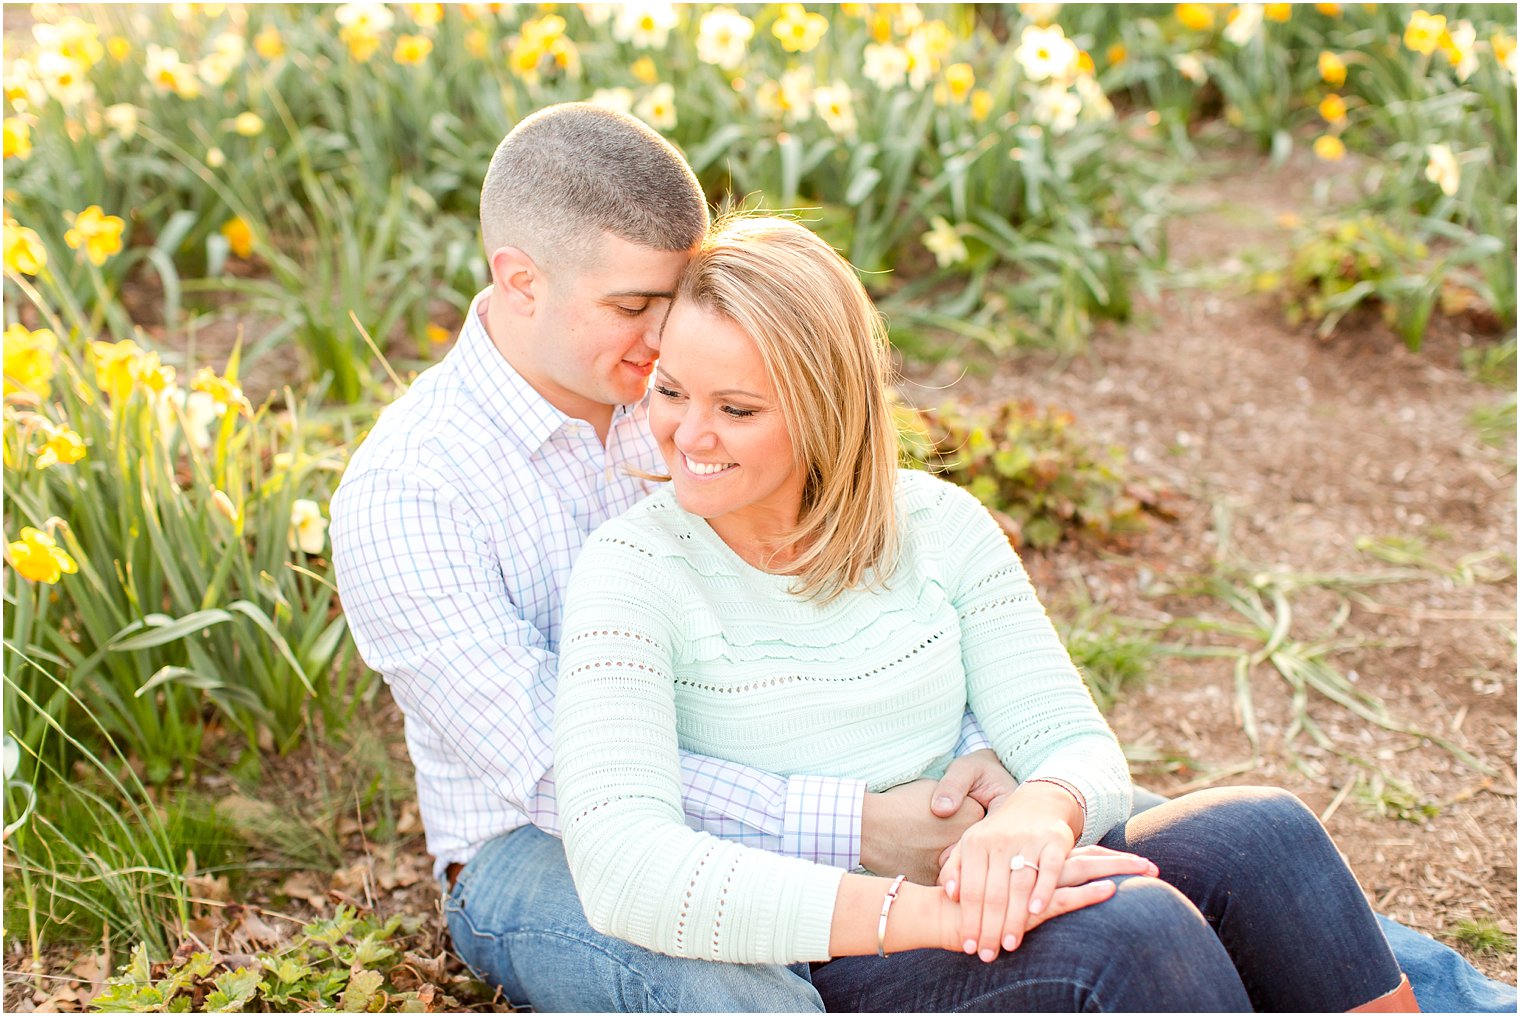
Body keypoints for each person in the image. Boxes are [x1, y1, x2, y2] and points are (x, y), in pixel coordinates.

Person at [331, 102, 1515, 1013]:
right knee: (740, 987)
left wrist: (985, 785)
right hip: (542, 846)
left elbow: (895, 635)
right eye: (642, 307)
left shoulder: (859, 483)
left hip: (831, 768)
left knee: (1212, 845)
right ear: (519, 281)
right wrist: (870, 829)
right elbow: (572, 785)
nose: (667, 353)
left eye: (693, 318)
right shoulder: (414, 491)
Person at [553, 214, 1421, 1011]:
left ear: (826, 411)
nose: (687, 436)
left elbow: (1071, 742)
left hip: (970, 876)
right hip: (831, 938)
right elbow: (625, 869)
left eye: (736, 409)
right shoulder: (633, 574)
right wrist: (933, 914)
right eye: (671, 392)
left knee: (1262, 837)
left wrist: (1032, 817)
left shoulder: (936, 524)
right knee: (1133, 932)